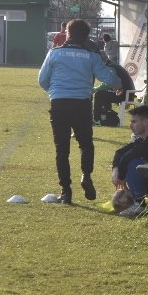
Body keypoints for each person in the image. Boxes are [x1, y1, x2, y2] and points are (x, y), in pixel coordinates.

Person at [38, 18, 121, 204]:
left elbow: (42, 80)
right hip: (82, 104)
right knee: (86, 144)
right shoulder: (91, 55)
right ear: (85, 37)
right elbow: (107, 77)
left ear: (67, 33)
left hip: (59, 103)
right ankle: (86, 175)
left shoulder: (54, 54)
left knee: (62, 150)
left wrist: (55, 91)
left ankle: (66, 192)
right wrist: (117, 83)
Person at [111, 105, 148, 217]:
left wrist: (120, 178)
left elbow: (127, 157)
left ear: (145, 122)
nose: (131, 125)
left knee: (132, 163)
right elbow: (119, 153)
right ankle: (137, 200)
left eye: (134, 122)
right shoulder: (141, 139)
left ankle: (140, 203)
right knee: (127, 162)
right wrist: (115, 169)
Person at [93, 58, 136, 122]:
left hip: (125, 94)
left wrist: (94, 89)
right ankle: (106, 116)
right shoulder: (114, 65)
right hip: (127, 93)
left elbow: (108, 84)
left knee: (99, 94)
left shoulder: (111, 68)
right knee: (104, 94)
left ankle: (96, 119)